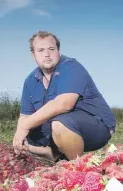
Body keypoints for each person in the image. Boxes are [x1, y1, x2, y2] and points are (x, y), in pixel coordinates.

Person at [12, 30, 116, 161]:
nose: (47, 54)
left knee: (59, 124)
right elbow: (25, 115)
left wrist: (25, 125)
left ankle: (77, 167)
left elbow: (64, 104)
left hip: (97, 127)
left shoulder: (71, 67)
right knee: (29, 134)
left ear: (58, 51)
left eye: (51, 49)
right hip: (62, 127)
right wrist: (20, 134)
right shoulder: (30, 80)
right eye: (41, 50)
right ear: (33, 55)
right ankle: (56, 156)